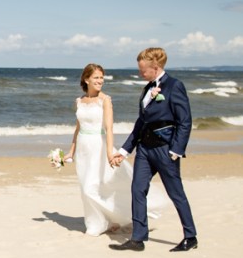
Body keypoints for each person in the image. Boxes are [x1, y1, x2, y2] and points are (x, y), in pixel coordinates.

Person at [110, 47, 198, 252]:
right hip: (144, 150)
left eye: (143, 70)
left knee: (176, 193)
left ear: (155, 67)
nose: (140, 73)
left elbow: (185, 121)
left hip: (165, 149)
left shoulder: (175, 86)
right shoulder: (147, 89)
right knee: (137, 190)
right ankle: (138, 239)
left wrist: (176, 150)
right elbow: (141, 122)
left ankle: (190, 236)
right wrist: (124, 151)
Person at [64, 63, 166, 236]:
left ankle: (100, 224)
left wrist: (110, 152)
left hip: (99, 146)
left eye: (101, 77)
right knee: (85, 187)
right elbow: (77, 128)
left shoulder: (105, 100)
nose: (100, 81)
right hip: (83, 147)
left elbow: (109, 128)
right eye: (96, 77)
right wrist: (71, 152)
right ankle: (99, 221)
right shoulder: (79, 101)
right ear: (86, 79)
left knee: (93, 187)